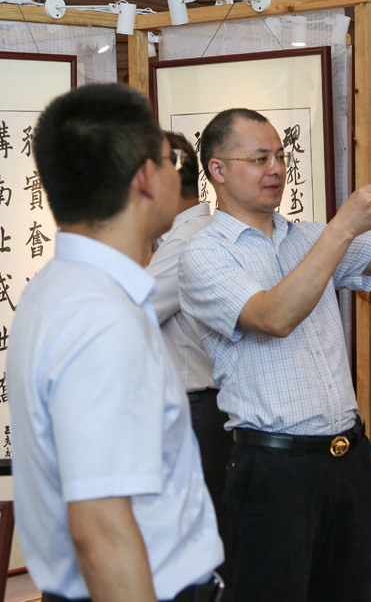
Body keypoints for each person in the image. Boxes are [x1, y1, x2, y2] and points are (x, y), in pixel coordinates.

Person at [178, 108, 371, 602]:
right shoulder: (204, 254)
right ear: (218, 170)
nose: (276, 168)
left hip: (349, 458)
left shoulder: (309, 236)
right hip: (274, 469)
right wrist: (343, 227)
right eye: (259, 158)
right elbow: (274, 316)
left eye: (280, 156)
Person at [6, 84, 223, 602]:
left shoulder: (62, 288)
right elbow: (100, 528)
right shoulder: (101, 318)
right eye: (170, 160)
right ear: (146, 177)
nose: (178, 174)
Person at [146, 132, 235, 593]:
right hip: (204, 408)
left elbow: (130, 312)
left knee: (198, 548)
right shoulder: (185, 236)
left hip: (199, 410)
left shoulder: (186, 241)